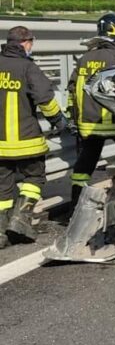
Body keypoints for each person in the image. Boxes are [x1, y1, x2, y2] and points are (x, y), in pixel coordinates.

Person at [0, 26, 69, 248]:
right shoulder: (28, 68)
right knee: (34, 178)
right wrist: (59, 122)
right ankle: (21, 219)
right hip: (26, 141)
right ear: (26, 43)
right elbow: (45, 101)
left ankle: (1, 232)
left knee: (3, 187)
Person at [67, 14, 115, 212]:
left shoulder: (84, 60)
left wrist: (74, 120)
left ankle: (75, 208)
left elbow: (72, 91)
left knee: (84, 166)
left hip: (88, 124)